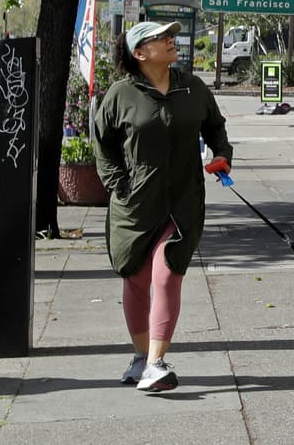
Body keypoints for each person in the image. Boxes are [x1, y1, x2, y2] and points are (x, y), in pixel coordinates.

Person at [92, 20, 233, 392]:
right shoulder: (121, 95)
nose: (171, 40)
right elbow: (102, 145)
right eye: (159, 38)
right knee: (136, 280)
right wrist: (118, 186)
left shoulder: (193, 87)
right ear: (139, 53)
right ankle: (141, 358)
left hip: (183, 201)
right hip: (135, 205)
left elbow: (215, 128)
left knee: (167, 274)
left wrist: (221, 156)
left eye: (171, 35)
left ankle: (156, 363)